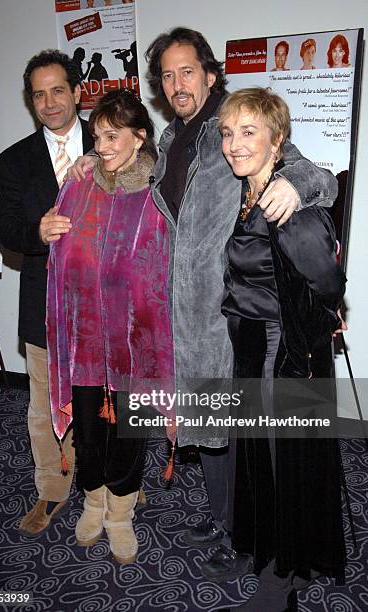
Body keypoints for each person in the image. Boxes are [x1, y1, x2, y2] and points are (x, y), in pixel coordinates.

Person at [68, 27, 338, 582]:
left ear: (210, 74)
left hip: (225, 312)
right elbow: (132, 175)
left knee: (237, 435)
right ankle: (222, 521)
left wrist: (297, 187)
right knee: (207, 428)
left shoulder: (233, 124)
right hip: (178, 313)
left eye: (187, 70)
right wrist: (89, 165)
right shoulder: (170, 139)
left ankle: (246, 535)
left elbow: (315, 173)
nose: (176, 83)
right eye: (166, 75)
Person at [220, 87, 346, 611]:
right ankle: (270, 551)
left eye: (248, 132)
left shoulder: (286, 202)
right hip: (251, 346)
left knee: (281, 463)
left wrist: (318, 322)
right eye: (228, 133)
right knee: (262, 460)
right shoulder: (244, 193)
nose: (234, 144)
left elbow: (328, 281)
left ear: (277, 140)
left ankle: (284, 577)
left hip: (280, 354)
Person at [46, 89, 173, 564]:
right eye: (97, 135)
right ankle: (93, 500)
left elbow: (167, 265)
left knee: (130, 431)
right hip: (85, 339)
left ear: (139, 137)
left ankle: (121, 512)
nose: (102, 145)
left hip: (136, 340)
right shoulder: (80, 183)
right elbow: (59, 243)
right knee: (90, 431)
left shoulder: (157, 191)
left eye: (113, 135)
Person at [0, 50, 94, 535]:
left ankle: (114, 482)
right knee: (43, 408)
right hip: (44, 305)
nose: (50, 102)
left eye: (59, 90)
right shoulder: (13, 160)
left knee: (106, 400)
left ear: (77, 92)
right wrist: (36, 231)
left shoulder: (113, 138)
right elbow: (6, 230)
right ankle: (52, 492)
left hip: (105, 305)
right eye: (39, 94)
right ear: (31, 101)